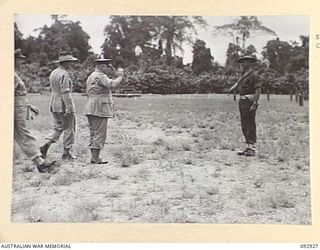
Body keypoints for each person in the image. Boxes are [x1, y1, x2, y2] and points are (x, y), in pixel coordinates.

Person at [14, 49, 59, 173]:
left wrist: (29, 106)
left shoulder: (12, 73)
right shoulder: (10, 74)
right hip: (15, 109)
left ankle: (39, 162)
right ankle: (40, 163)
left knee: (21, 134)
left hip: (18, 107)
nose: (21, 62)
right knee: (23, 134)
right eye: (19, 59)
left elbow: (18, 95)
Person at [84, 55, 124, 164]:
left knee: (94, 132)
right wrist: (120, 76)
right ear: (101, 66)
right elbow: (112, 84)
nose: (108, 68)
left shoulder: (91, 76)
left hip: (91, 106)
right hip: (99, 107)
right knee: (100, 133)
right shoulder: (100, 76)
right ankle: (95, 158)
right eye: (107, 66)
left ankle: (94, 157)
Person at [40, 51, 78, 160]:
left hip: (54, 102)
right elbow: (65, 92)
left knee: (58, 127)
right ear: (66, 62)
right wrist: (68, 106)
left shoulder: (54, 72)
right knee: (69, 128)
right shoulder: (64, 74)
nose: (71, 64)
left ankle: (45, 145)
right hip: (62, 102)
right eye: (70, 62)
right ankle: (67, 153)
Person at [229, 55, 262, 156]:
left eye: (244, 62)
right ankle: (248, 147)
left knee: (250, 124)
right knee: (244, 124)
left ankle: (252, 148)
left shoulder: (254, 76)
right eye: (241, 62)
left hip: (249, 101)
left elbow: (258, 91)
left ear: (249, 63)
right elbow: (235, 86)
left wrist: (255, 103)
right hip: (242, 101)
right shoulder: (243, 76)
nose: (242, 64)